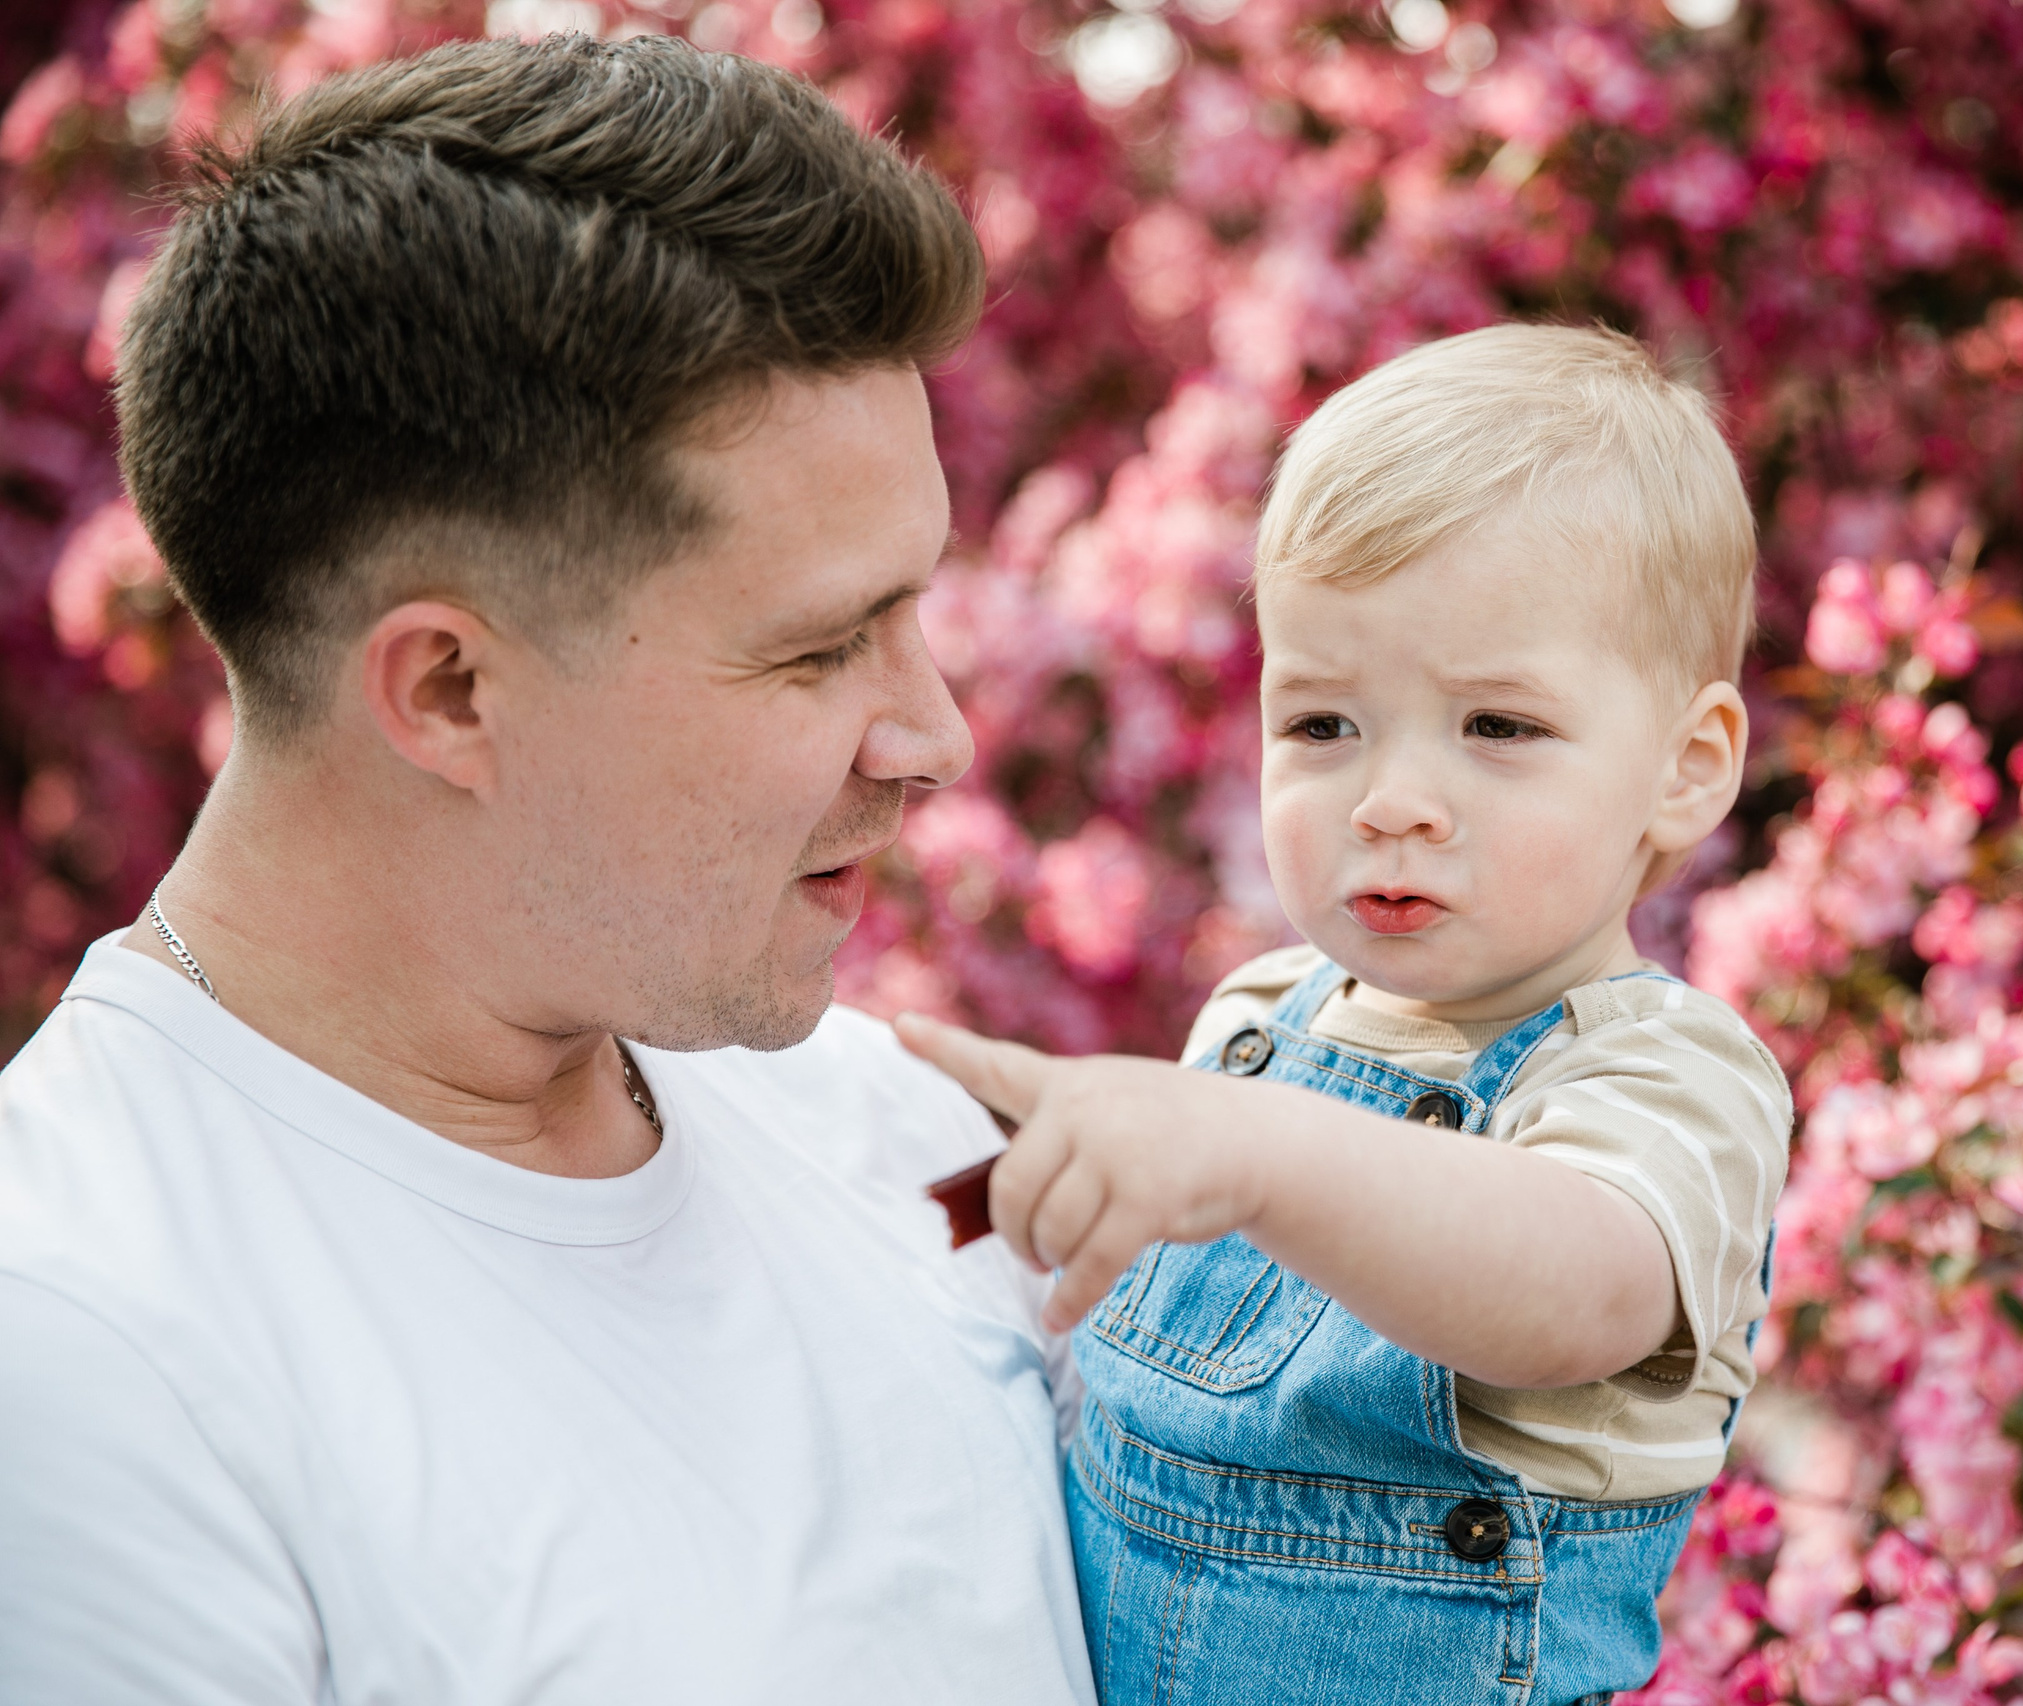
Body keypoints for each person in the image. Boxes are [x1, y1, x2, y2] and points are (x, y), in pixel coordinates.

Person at [0, 36, 1095, 1704]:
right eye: (818, 651)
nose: (932, 735)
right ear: (448, 689)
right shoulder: (87, 1344)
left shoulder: (914, 1141)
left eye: (915, 608)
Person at [898, 324, 1795, 1705]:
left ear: (1685, 768)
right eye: (1323, 724)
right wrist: (1007, 1183)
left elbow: (1575, 1290)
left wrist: (1256, 1152)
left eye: (1496, 726)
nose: (1391, 799)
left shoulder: (1663, 1070)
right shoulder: (1261, 1018)